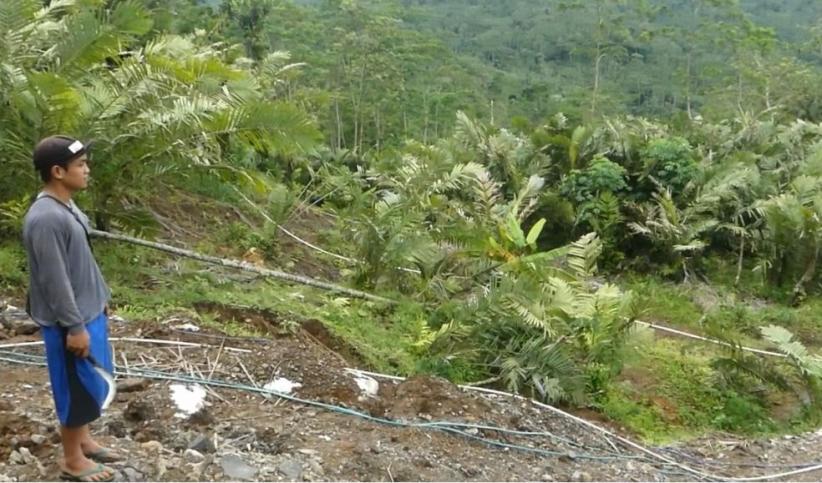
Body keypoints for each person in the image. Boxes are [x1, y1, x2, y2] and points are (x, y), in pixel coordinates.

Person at [22, 135, 122, 482]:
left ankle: (84, 441)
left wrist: (99, 297)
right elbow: (55, 280)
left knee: (90, 381)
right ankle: (71, 459)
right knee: (75, 387)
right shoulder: (45, 218)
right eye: (80, 165)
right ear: (57, 171)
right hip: (69, 320)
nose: (87, 169)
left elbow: (81, 261)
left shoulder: (65, 206)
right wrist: (75, 327)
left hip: (87, 310)